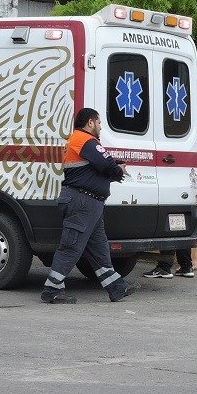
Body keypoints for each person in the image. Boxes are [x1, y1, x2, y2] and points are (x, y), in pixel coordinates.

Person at [41, 108, 136, 304]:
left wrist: (113, 168)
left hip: (89, 203)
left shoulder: (78, 141)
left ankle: (116, 287)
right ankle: (51, 290)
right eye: (99, 123)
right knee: (71, 247)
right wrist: (118, 171)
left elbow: (96, 167)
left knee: (99, 248)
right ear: (90, 123)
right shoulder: (84, 140)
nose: (101, 127)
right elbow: (107, 165)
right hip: (83, 202)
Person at [144, 125, 197, 279]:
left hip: (185, 194)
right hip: (187, 195)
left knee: (169, 230)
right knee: (181, 231)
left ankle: (165, 267)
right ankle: (186, 266)